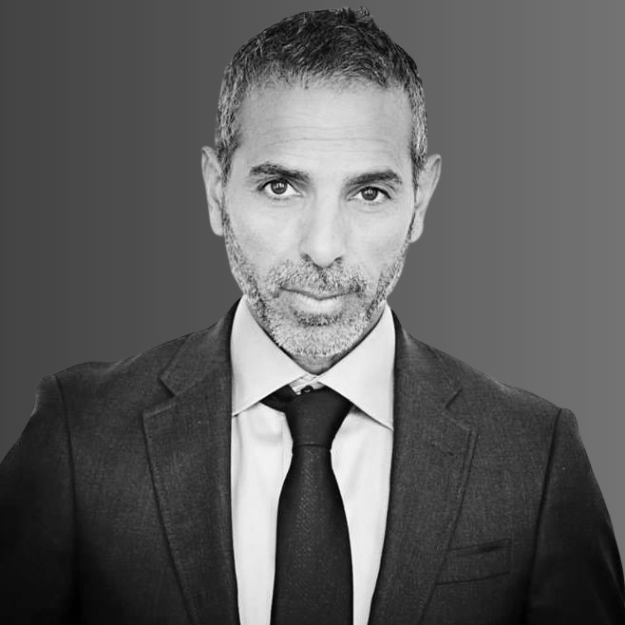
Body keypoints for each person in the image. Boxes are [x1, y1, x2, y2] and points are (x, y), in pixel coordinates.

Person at [1, 7, 623, 625]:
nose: (323, 248)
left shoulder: (536, 454)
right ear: (217, 191)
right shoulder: (79, 432)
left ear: (420, 202)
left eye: (369, 193)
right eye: (281, 187)